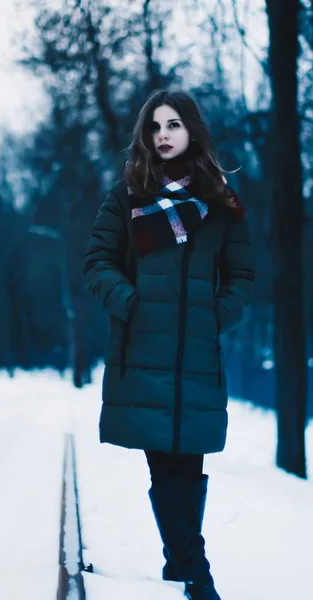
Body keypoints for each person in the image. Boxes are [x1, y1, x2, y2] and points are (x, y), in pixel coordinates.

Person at [83, 90, 254, 600]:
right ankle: (197, 574)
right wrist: (130, 303)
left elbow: (241, 275)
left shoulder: (222, 205)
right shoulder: (127, 197)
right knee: (165, 460)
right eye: (155, 125)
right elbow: (97, 261)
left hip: (198, 354)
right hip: (144, 352)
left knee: (189, 462)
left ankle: (175, 561)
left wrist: (215, 315)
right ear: (145, 134)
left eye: (174, 124)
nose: (163, 134)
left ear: (191, 131)